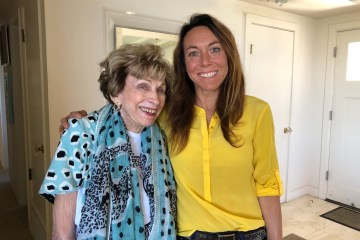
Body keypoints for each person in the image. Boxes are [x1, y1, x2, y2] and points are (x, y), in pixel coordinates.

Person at [60, 14, 283, 240]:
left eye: (215, 49)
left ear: (229, 54)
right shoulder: (166, 114)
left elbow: (267, 186)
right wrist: (80, 123)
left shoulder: (258, 111)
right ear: (184, 64)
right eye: (193, 53)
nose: (205, 61)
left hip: (249, 234)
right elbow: (127, 109)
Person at [39, 44, 177, 240]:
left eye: (160, 90)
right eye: (143, 86)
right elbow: (61, 233)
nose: (155, 98)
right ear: (115, 93)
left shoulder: (161, 139)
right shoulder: (82, 133)